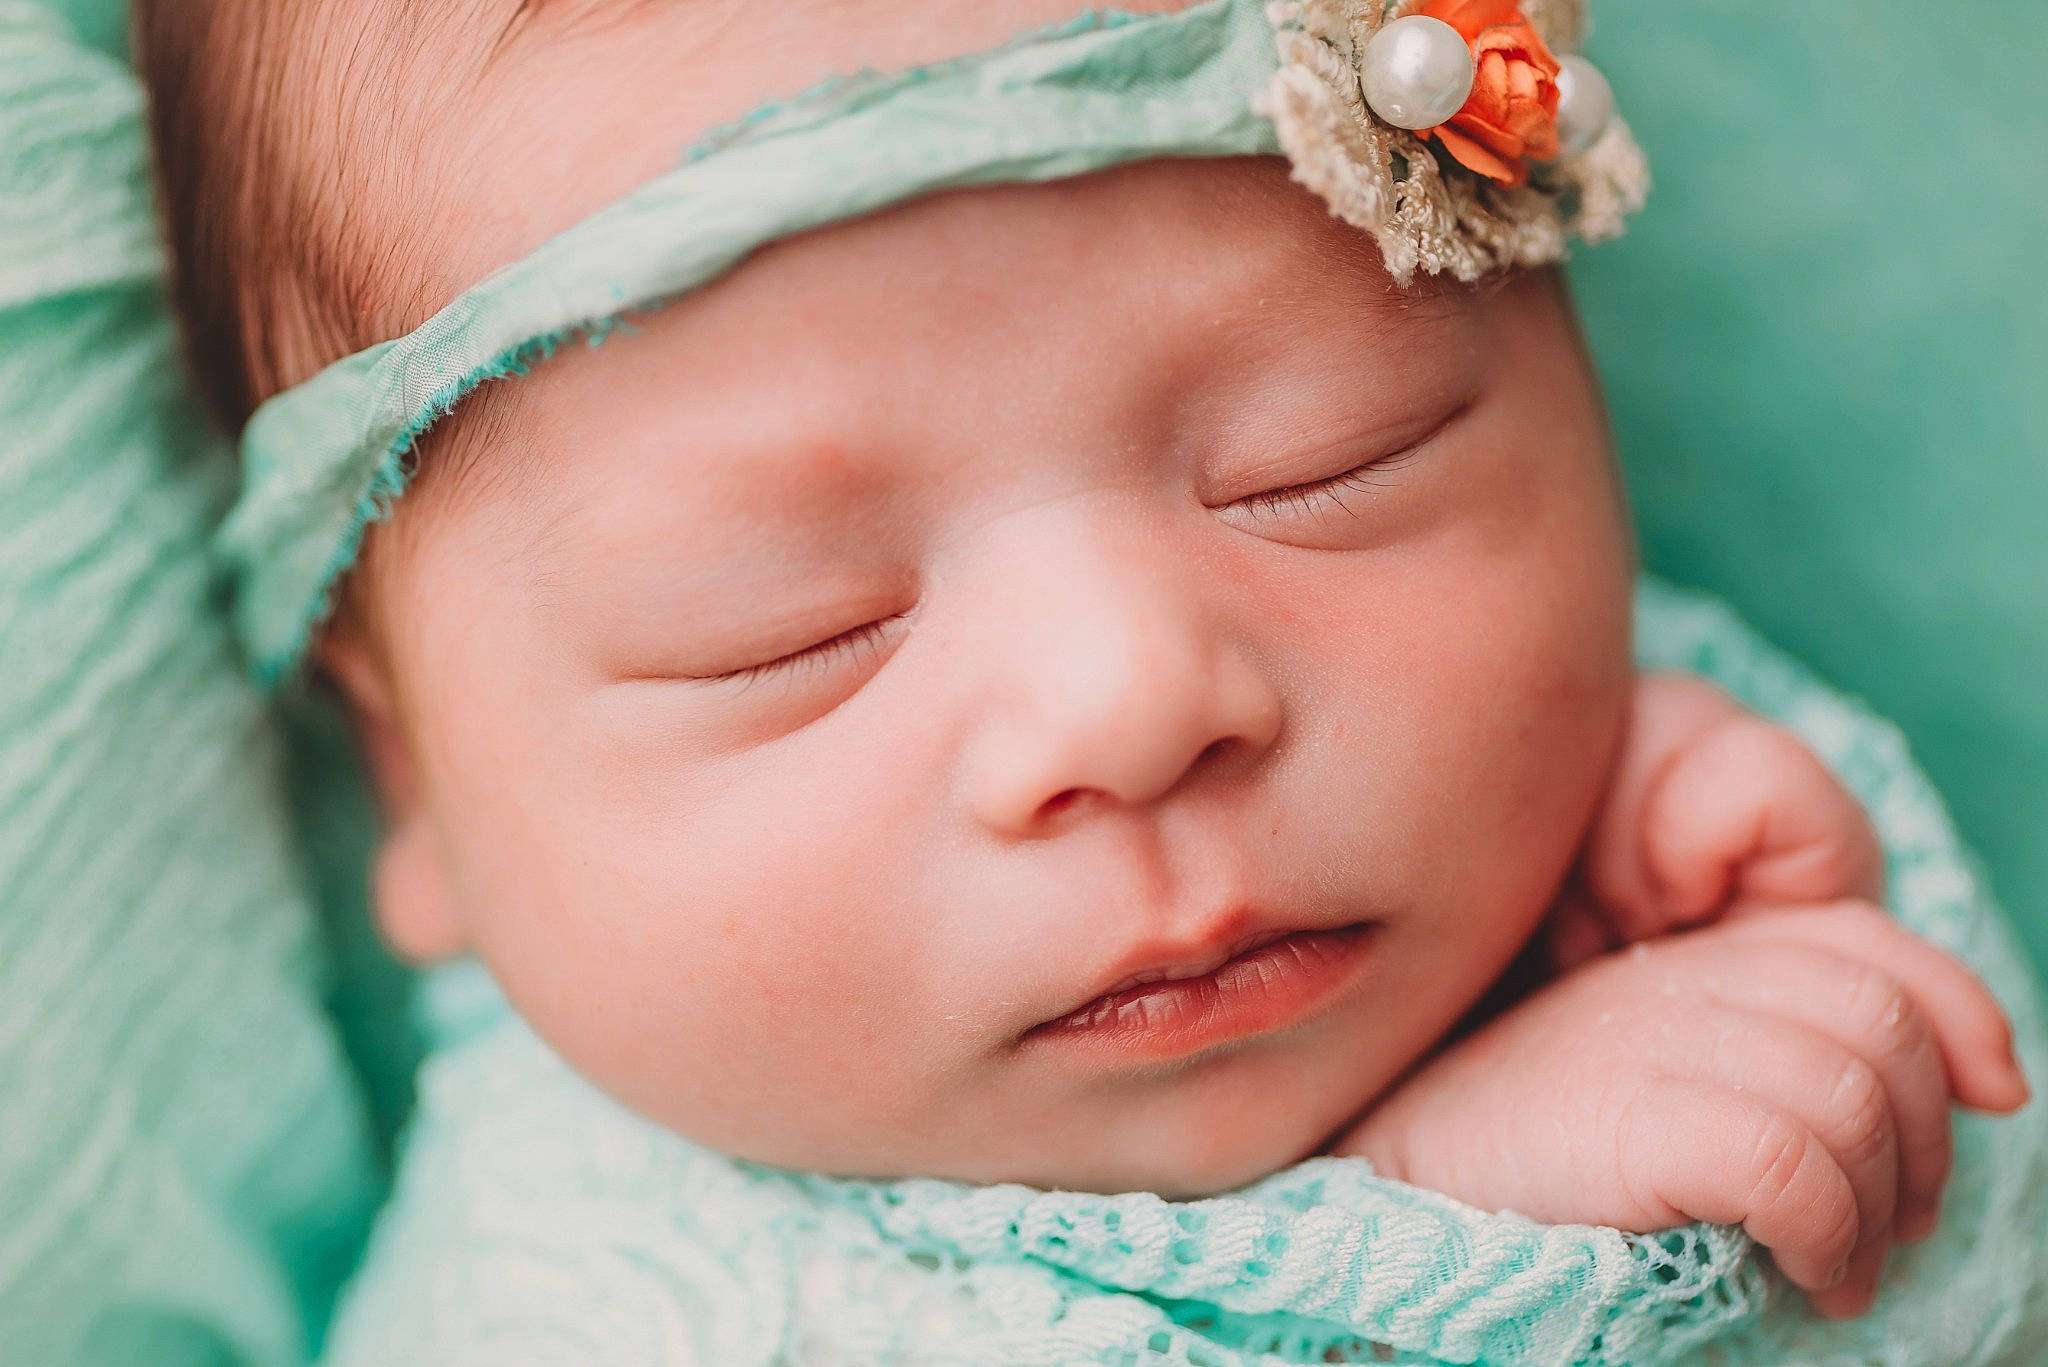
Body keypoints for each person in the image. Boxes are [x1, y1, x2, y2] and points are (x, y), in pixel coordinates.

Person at [131, 0, 2038, 1359]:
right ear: (417, 781)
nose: (1131, 701)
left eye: (1323, 461)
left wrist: (1744, 965)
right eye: (791, 630)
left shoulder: (1660, 812)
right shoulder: (580, 1303)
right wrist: (1429, 1226)